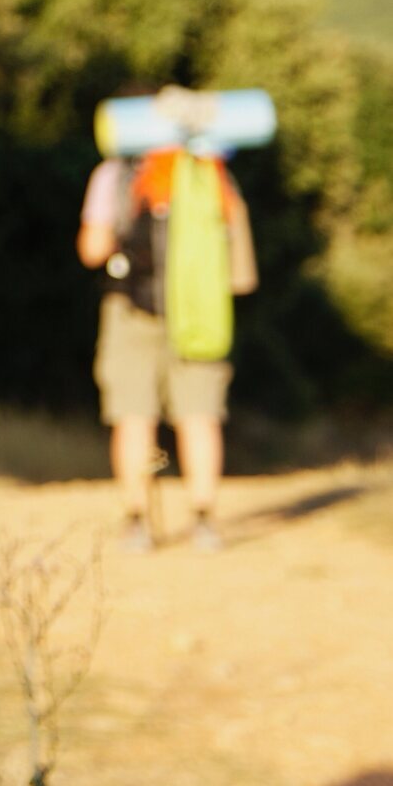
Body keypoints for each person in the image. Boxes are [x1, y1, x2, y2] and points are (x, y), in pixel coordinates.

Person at [77, 120, 258, 553]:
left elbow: (92, 249)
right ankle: (203, 521)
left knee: (134, 415)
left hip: (132, 312)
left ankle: (137, 522)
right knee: (200, 415)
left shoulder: (116, 174)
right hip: (201, 311)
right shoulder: (208, 168)